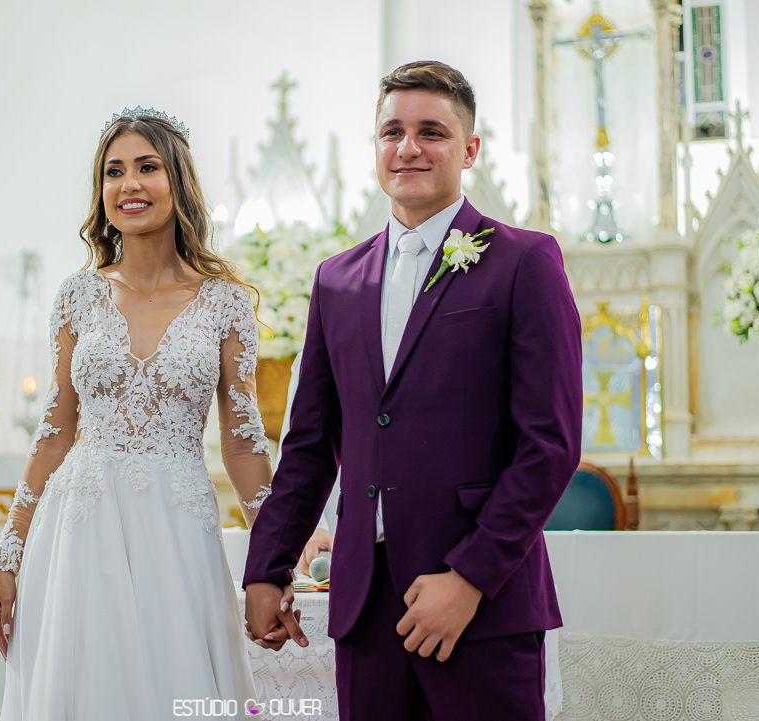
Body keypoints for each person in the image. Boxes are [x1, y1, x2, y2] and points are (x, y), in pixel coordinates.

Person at [243, 61, 583, 720]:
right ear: (375, 146)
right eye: (392, 131)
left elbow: (550, 444)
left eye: (432, 131)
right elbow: (310, 445)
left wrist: (469, 578)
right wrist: (267, 566)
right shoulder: (337, 281)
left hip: (482, 609)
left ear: (470, 149)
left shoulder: (523, 262)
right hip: (366, 610)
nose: (408, 147)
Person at [0, 107, 275, 721]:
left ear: (179, 182)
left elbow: (244, 445)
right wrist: (7, 556)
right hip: (77, 528)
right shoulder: (78, 295)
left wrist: (276, 554)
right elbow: (55, 433)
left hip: (176, 528)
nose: (129, 184)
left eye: (147, 167)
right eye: (113, 172)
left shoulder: (226, 304)